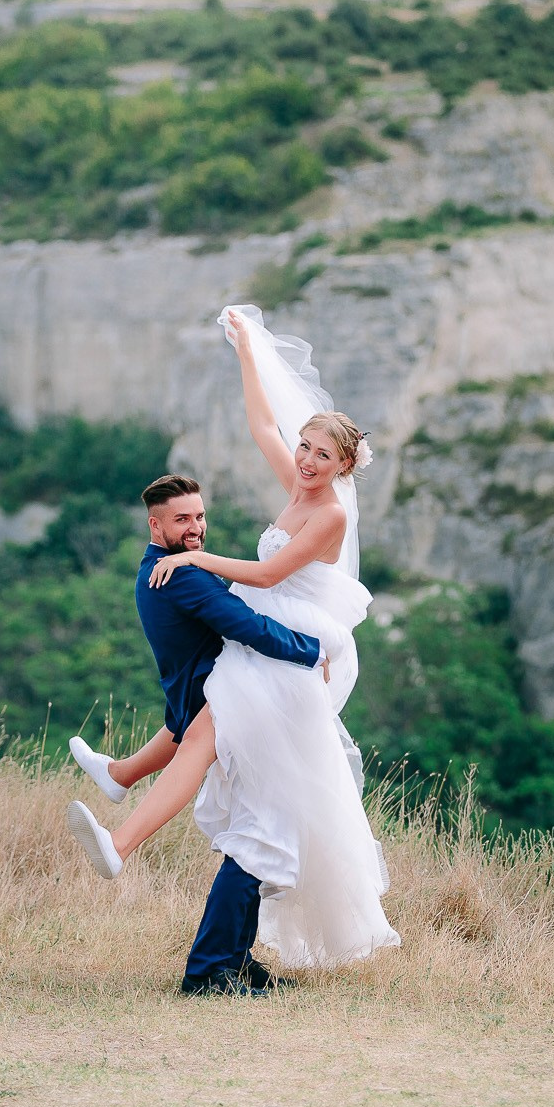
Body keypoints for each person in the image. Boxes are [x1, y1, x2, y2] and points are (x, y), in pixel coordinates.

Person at [68, 305, 399, 977]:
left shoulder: (330, 512)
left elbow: (274, 572)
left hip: (299, 636)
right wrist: (248, 347)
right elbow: (259, 424)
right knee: (210, 713)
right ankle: (123, 778)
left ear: (343, 466)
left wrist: (198, 560)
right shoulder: (298, 485)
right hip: (269, 621)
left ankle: (122, 834)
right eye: (304, 447)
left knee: (211, 724)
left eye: (321, 454)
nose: (305, 460)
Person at [67, 471, 326, 996]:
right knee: (259, 837)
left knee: (263, 833)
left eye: (200, 516)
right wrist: (312, 650)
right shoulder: (179, 576)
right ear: (155, 523)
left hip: (199, 694)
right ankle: (210, 966)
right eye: (182, 519)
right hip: (223, 698)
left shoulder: (155, 570)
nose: (196, 528)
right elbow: (244, 625)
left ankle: (232, 958)